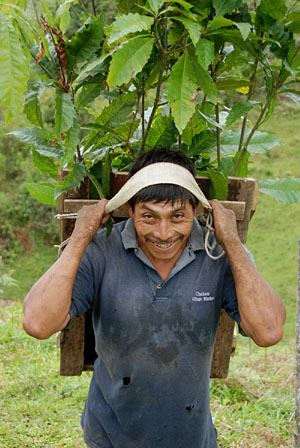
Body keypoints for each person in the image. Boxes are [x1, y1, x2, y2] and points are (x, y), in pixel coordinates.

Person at [23, 147, 286, 448]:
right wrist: (81, 235)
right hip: (109, 435)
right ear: (130, 209)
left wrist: (233, 243)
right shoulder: (101, 250)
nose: (164, 233)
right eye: (149, 216)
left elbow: (268, 331)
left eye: (178, 217)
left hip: (191, 436)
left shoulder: (219, 253)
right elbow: (37, 323)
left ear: (197, 211)